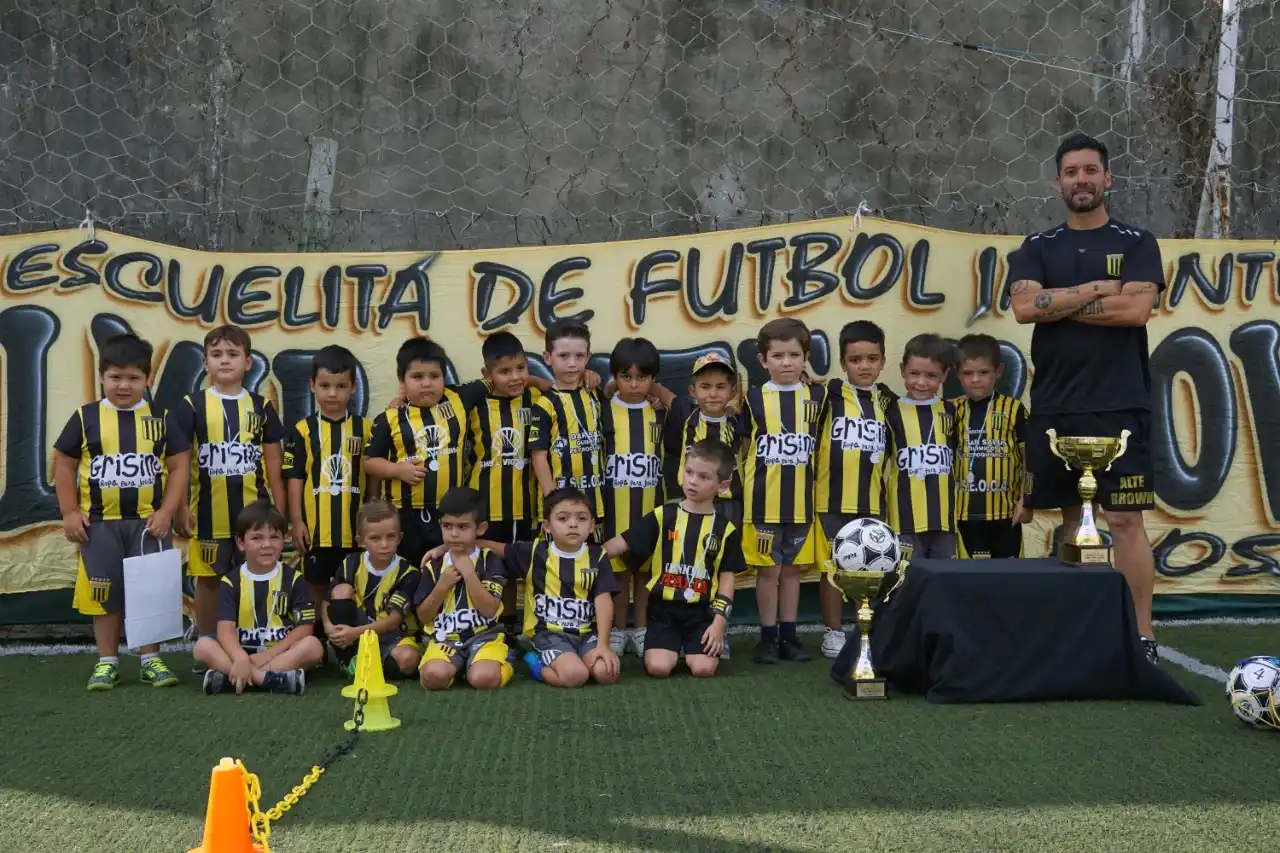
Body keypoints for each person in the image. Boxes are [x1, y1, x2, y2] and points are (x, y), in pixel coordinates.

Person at [1008, 132, 1165, 663]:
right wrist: (1098, 289)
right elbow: (1025, 310)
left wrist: (1059, 301)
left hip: (1120, 402)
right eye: (1071, 171)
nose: (1081, 180)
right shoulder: (1037, 247)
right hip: (1056, 404)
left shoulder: (1138, 242)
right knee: (1074, 523)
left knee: (1124, 522)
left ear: (1107, 178)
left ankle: (1141, 636)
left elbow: (1135, 313)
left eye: (1090, 170)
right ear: (1058, 181)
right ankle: (1084, 634)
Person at [52, 333, 189, 690]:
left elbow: (179, 467)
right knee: (104, 595)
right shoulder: (85, 418)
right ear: (101, 377)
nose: (123, 385)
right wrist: (68, 511)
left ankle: (150, 659)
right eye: (115, 377)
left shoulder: (160, 417)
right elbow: (64, 464)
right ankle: (107, 661)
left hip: (148, 524)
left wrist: (167, 512)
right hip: (99, 526)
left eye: (133, 378)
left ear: (147, 379)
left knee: (151, 593)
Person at [167, 325, 286, 645]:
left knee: (258, 574)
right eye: (216, 355)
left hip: (255, 513)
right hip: (207, 514)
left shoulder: (261, 407)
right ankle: (208, 642)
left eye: (233, 354)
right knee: (209, 581)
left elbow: (274, 462)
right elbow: (178, 461)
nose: (224, 361)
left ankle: (254, 637)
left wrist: (282, 509)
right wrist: (179, 508)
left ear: (248, 363)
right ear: (205, 363)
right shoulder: (192, 405)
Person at [604, 439, 743, 678]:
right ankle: (672, 645)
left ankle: (702, 643)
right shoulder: (663, 515)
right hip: (663, 611)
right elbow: (619, 544)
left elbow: (728, 581)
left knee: (703, 669)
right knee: (658, 668)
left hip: (702, 613)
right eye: (689, 472)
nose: (692, 481)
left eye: (703, 477)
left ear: (722, 485)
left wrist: (719, 623)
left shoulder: (725, 529)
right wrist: (579, 557)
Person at [462, 488, 621, 688]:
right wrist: (448, 547)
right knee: (576, 676)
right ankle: (536, 663)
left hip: (585, 634)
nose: (573, 524)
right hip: (549, 635)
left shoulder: (598, 556)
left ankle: (571, 660)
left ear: (591, 526)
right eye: (563, 519)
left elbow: (603, 600)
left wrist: (603, 644)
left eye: (581, 518)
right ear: (547, 526)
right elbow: (493, 547)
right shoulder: (535, 552)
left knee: (607, 673)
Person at [737, 318, 823, 664]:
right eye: (778, 355)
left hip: (802, 504)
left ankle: (790, 636)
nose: (786, 362)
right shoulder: (752, 398)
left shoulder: (818, 395)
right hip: (762, 505)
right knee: (768, 571)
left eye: (794, 355)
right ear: (763, 360)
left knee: (792, 572)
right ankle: (767, 636)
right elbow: (743, 447)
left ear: (805, 358)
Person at [812, 321, 896, 659]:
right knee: (833, 568)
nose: (864, 366)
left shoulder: (888, 401)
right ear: (844, 363)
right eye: (856, 359)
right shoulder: (827, 395)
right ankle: (833, 631)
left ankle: (870, 627)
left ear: (883, 360)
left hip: (872, 501)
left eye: (871, 359)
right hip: (830, 500)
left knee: (873, 567)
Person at [363, 337, 485, 566]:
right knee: (408, 570)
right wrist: (397, 470)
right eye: (417, 377)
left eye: (434, 376)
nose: (427, 383)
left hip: (449, 515)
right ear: (402, 382)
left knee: (445, 568)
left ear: (444, 378)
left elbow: (497, 379)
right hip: (405, 515)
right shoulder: (390, 418)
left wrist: (537, 381)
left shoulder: (459, 399)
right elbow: (369, 462)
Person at [195, 502, 323, 695]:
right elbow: (225, 630)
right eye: (257, 538)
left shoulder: (295, 579)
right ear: (241, 543)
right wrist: (240, 658)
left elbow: (304, 628)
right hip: (240, 654)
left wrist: (268, 656)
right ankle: (270, 680)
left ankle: (235, 679)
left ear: (283, 541)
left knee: (313, 647)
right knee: (202, 647)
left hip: (277, 654)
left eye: (274, 537)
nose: (267, 545)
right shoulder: (231, 581)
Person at [285, 344, 377, 612]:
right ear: (313, 385)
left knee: (353, 585)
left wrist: (370, 516)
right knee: (315, 586)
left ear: (353, 388)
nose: (332, 393)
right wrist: (297, 521)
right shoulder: (302, 431)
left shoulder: (366, 429)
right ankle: (317, 639)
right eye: (325, 386)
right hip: (316, 530)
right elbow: (295, 478)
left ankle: (351, 640)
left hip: (354, 530)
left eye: (341, 386)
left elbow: (372, 476)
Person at [465, 331, 543, 638]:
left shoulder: (536, 398)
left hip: (526, 503)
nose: (515, 377)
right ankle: (496, 622)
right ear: (487, 375)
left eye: (521, 368)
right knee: (493, 564)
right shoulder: (474, 405)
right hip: (488, 502)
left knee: (519, 561)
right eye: (504, 371)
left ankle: (517, 622)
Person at [602, 337, 665, 658]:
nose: (635, 384)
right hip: (615, 509)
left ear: (653, 379)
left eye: (643, 377)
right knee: (616, 572)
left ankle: (641, 628)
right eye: (626, 377)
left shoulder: (661, 414)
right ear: (615, 377)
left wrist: (659, 396)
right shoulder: (603, 412)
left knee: (643, 573)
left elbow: (681, 403)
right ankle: (616, 629)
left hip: (649, 510)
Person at [416, 487, 512, 690]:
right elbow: (423, 616)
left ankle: (503, 661)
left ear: (480, 528)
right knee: (432, 677)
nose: (454, 534)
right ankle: (457, 668)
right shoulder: (434, 564)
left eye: (462, 527)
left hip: (485, 636)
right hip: (445, 638)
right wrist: (441, 586)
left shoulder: (490, 560)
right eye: (447, 526)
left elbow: (489, 610)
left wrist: (469, 574)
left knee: (483, 679)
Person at [952, 334, 1031, 559]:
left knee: (1008, 580)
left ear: (999, 371)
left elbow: (1028, 457)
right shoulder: (950, 410)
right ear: (958, 374)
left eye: (984, 372)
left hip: (1006, 514)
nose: (976, 380)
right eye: (968, 373)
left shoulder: (1014, 410)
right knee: (967, 580)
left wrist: (1026, 501)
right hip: (962, 514)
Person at [324, 500, 423, 679]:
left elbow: (393, 621)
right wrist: (327, 626)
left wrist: (353, 634)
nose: (384, 544)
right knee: (341, 590)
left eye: (390, 537)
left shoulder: (408, 573)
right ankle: (349, 661)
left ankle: (370, 665)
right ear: (360, 541)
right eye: (375, 538)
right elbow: (327, 600)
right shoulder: (351, 564)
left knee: (409, 660)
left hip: (391, 635)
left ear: (399, 538)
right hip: (356, 630)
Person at [885, 334, 959, 559]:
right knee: (907, 580)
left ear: (944, 375)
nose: (921, 382)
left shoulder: (953, 411)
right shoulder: (891, 411)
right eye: (914, 374)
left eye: (931, 376)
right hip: (904, 519)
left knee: (943, 580)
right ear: (902, 371)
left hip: (944, 521)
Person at [529, 320, 609, 525]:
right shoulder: (544, 404)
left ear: (588, 358)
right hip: (560, 505)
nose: (572, 364)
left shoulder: (594, 395)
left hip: (593, 501)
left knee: (589, 556)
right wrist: (551, 499)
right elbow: (539, 456)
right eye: (564, 356)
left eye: (579, 356)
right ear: (548, 358)